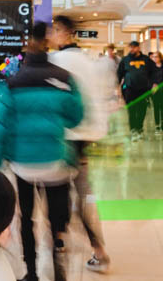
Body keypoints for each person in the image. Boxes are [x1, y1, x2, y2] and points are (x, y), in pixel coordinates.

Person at [0, 22, 83, 281]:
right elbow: (77, 117)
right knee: (56, 217)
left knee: (27, 219)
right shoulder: (64, 79)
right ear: (48, 45)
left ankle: (31, 272)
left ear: (26, 48)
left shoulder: (11, 82)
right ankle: (56, 260)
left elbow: (2, 126)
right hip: (56, 160)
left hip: (23, 164)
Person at [49, 15, 113, 273]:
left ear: (63, 33)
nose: (50, 36)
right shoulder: (88, 60)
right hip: (86, 136)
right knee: (82, 190)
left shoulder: (58, 61)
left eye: (54, 30)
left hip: (66, 135)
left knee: (59, 189)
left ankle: (62, 239)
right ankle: (95, 248)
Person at [117, 41, 153, 137]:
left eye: (134, 47)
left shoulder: (146, 59)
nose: (132, 49)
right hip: (129, 89)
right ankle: (133, 129)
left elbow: (154, 72)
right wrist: (118, 88)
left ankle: (139, 127)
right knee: (132, 110)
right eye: (130, 47)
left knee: (142, 110)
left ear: (138, 48)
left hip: (143, 89)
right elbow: (119, 74)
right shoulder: (125, 60)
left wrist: (154, 83)